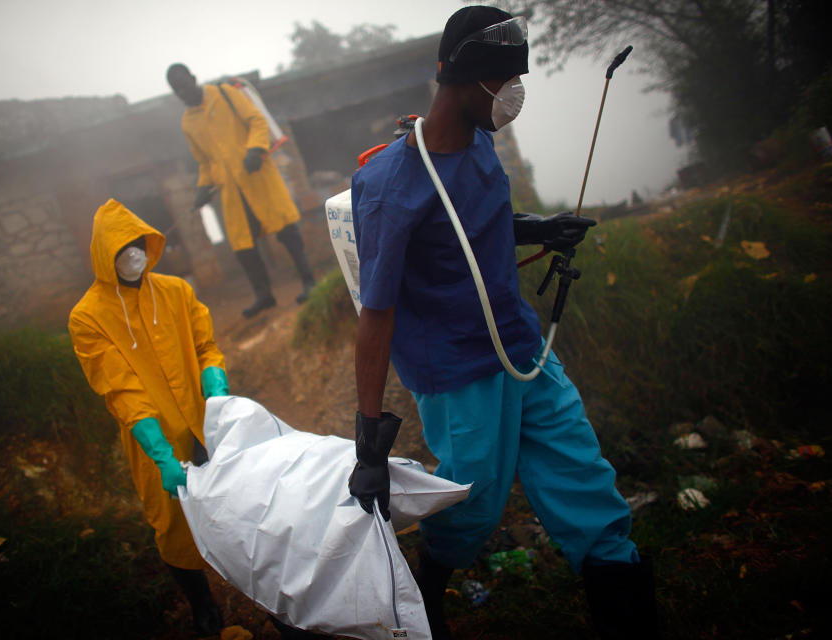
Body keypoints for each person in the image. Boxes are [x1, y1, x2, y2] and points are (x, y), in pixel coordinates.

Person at [347, 6, 658, 640]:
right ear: (462, 81)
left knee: (585, 482)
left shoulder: (482, 145)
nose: (514, 94)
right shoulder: (389, 183)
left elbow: (471, 230)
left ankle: (627, 615)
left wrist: (540, 229)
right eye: (503, 80)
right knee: (472, 506)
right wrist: (369, 443)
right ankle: (423, 603)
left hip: (523, 351)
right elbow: (376, 314)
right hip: (459, 374)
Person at [68, 198, 243, 638]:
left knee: (235, 498)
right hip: (156, 438)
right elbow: (120, 390)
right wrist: (160, 452)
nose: (132, 254)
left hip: (208, 422)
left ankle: (251, 576)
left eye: (137, 243)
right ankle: (200, 600)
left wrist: (215, 385)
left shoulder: (175, 291)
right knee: (172, 524)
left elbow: (206, 346)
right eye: (121, 248)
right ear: (103, 256)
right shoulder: (87, 317)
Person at [167, 63, 315, 318]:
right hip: (231, 190)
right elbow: (205, 162)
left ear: (193, 77)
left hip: (258, 176)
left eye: (184, 83)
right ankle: (264, 295)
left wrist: (256, 149)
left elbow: (256, 121)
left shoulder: (224, 93)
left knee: (286, 230)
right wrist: (203, 188)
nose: (183, 91)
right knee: (242, 245)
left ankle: (308, 280)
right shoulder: (187, 123)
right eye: (177, 89)